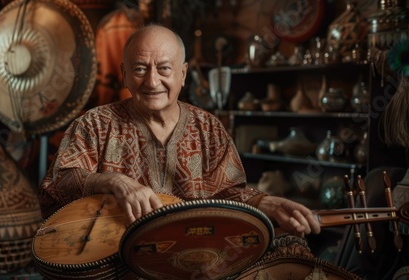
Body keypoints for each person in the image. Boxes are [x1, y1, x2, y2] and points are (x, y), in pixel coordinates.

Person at [38, 24, 321, 238]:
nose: (152, 81)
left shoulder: (208, 128)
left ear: (183, 74)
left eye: (164, 68)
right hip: (115, 257)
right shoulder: (95, 124)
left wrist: (265, 201)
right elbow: (57, 184)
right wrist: (112, 180)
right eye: (139, 68)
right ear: (124, 73)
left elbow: (229, 194)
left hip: (190, 258)